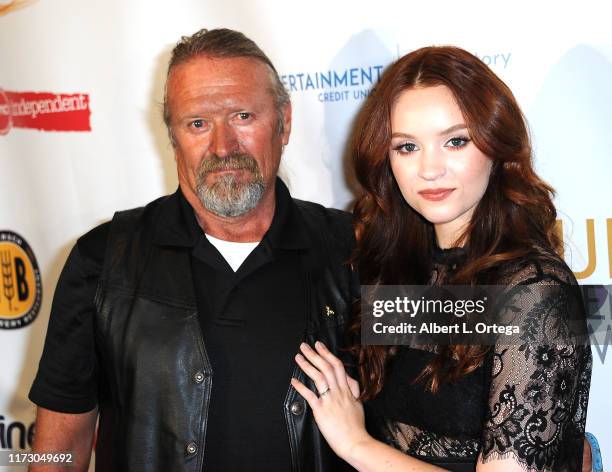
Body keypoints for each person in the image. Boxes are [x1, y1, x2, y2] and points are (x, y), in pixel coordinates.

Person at [28, 28, 357, 472]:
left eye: (243, 116)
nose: (223, 147)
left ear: (285, 121)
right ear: (173, 136)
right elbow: (57, 455)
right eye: (198, 124)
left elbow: (428, 410)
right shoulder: (101, 261)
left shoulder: (355, 250)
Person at [291, 46, 592, 472]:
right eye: (407, 147)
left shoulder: (533, 290)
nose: (430, 169)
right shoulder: (393, 269)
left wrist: (356, 444)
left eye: (455, 141)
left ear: (495, 146)